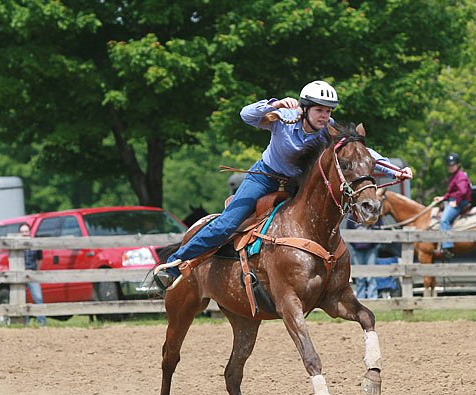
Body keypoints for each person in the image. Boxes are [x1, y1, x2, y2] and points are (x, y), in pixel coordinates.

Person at [153, 80, 413, 290]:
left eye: (329, 111)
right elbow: (246, 116)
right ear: (306, 108)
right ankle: (176, 263)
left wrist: (395, 169)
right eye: (320, 110)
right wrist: (274, 104)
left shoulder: (330, 131)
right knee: (229, 223)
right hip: (264, 177)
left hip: (295, 184)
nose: (325, 116)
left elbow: (364, 154)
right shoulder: (284, 116)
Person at [433, 152, 472, 260]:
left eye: (453, 165)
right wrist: (443, 198)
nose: (450, 167)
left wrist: (456, 202)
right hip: (455, 200)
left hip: (460, 202)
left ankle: (447, 248)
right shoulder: (455, 176)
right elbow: (452, 192)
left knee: (444, 220)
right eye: (449, 165)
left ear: (458, 164)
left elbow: (463, 191)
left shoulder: (461, 176)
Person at [346, 216, 381, 299]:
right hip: (357, 250)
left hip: (371, 249)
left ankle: (372, 298)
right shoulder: (352, 218)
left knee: (371, 275)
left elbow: (379, 230)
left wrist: (373, 244)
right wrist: (355, 245)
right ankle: (361, 298)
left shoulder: (373, 216)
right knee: (359, 276)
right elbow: (348, 233)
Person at [20, 223, 47, 326]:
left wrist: (37, 271)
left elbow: (40, 259)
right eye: (22, 232)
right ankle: (24, 323)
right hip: (20, 274)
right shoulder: (16, 244)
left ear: (30, 232)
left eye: (26, 231)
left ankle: (42, 321)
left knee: (38, 297)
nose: (24, 234)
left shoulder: (35, 243)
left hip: (32, 272)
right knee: (22, 299)